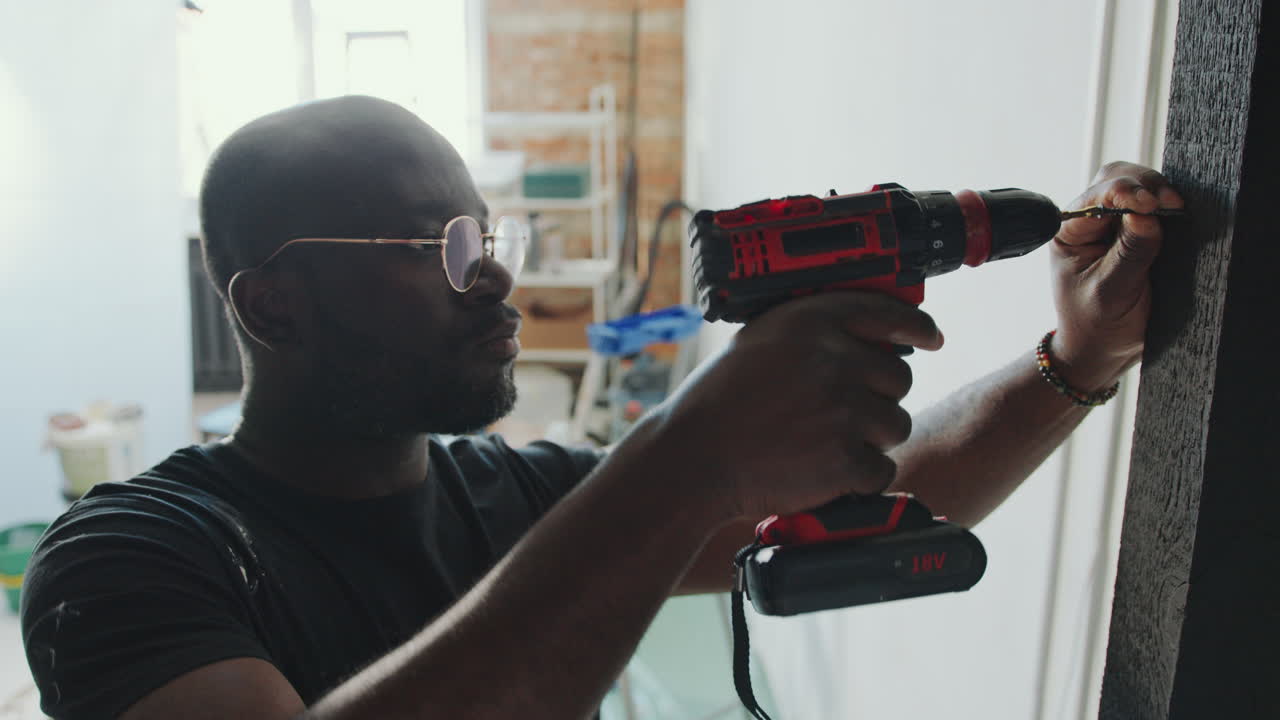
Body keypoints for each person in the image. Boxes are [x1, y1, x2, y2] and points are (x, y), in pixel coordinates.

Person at [20, 95, 1183, 720]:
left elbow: (885, 495)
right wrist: (685, 457)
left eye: (490, 236)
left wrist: (1074, 359)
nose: (493, 278)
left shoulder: (516, 497)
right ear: (274, 307)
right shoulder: (130, 559)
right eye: (439, 245)